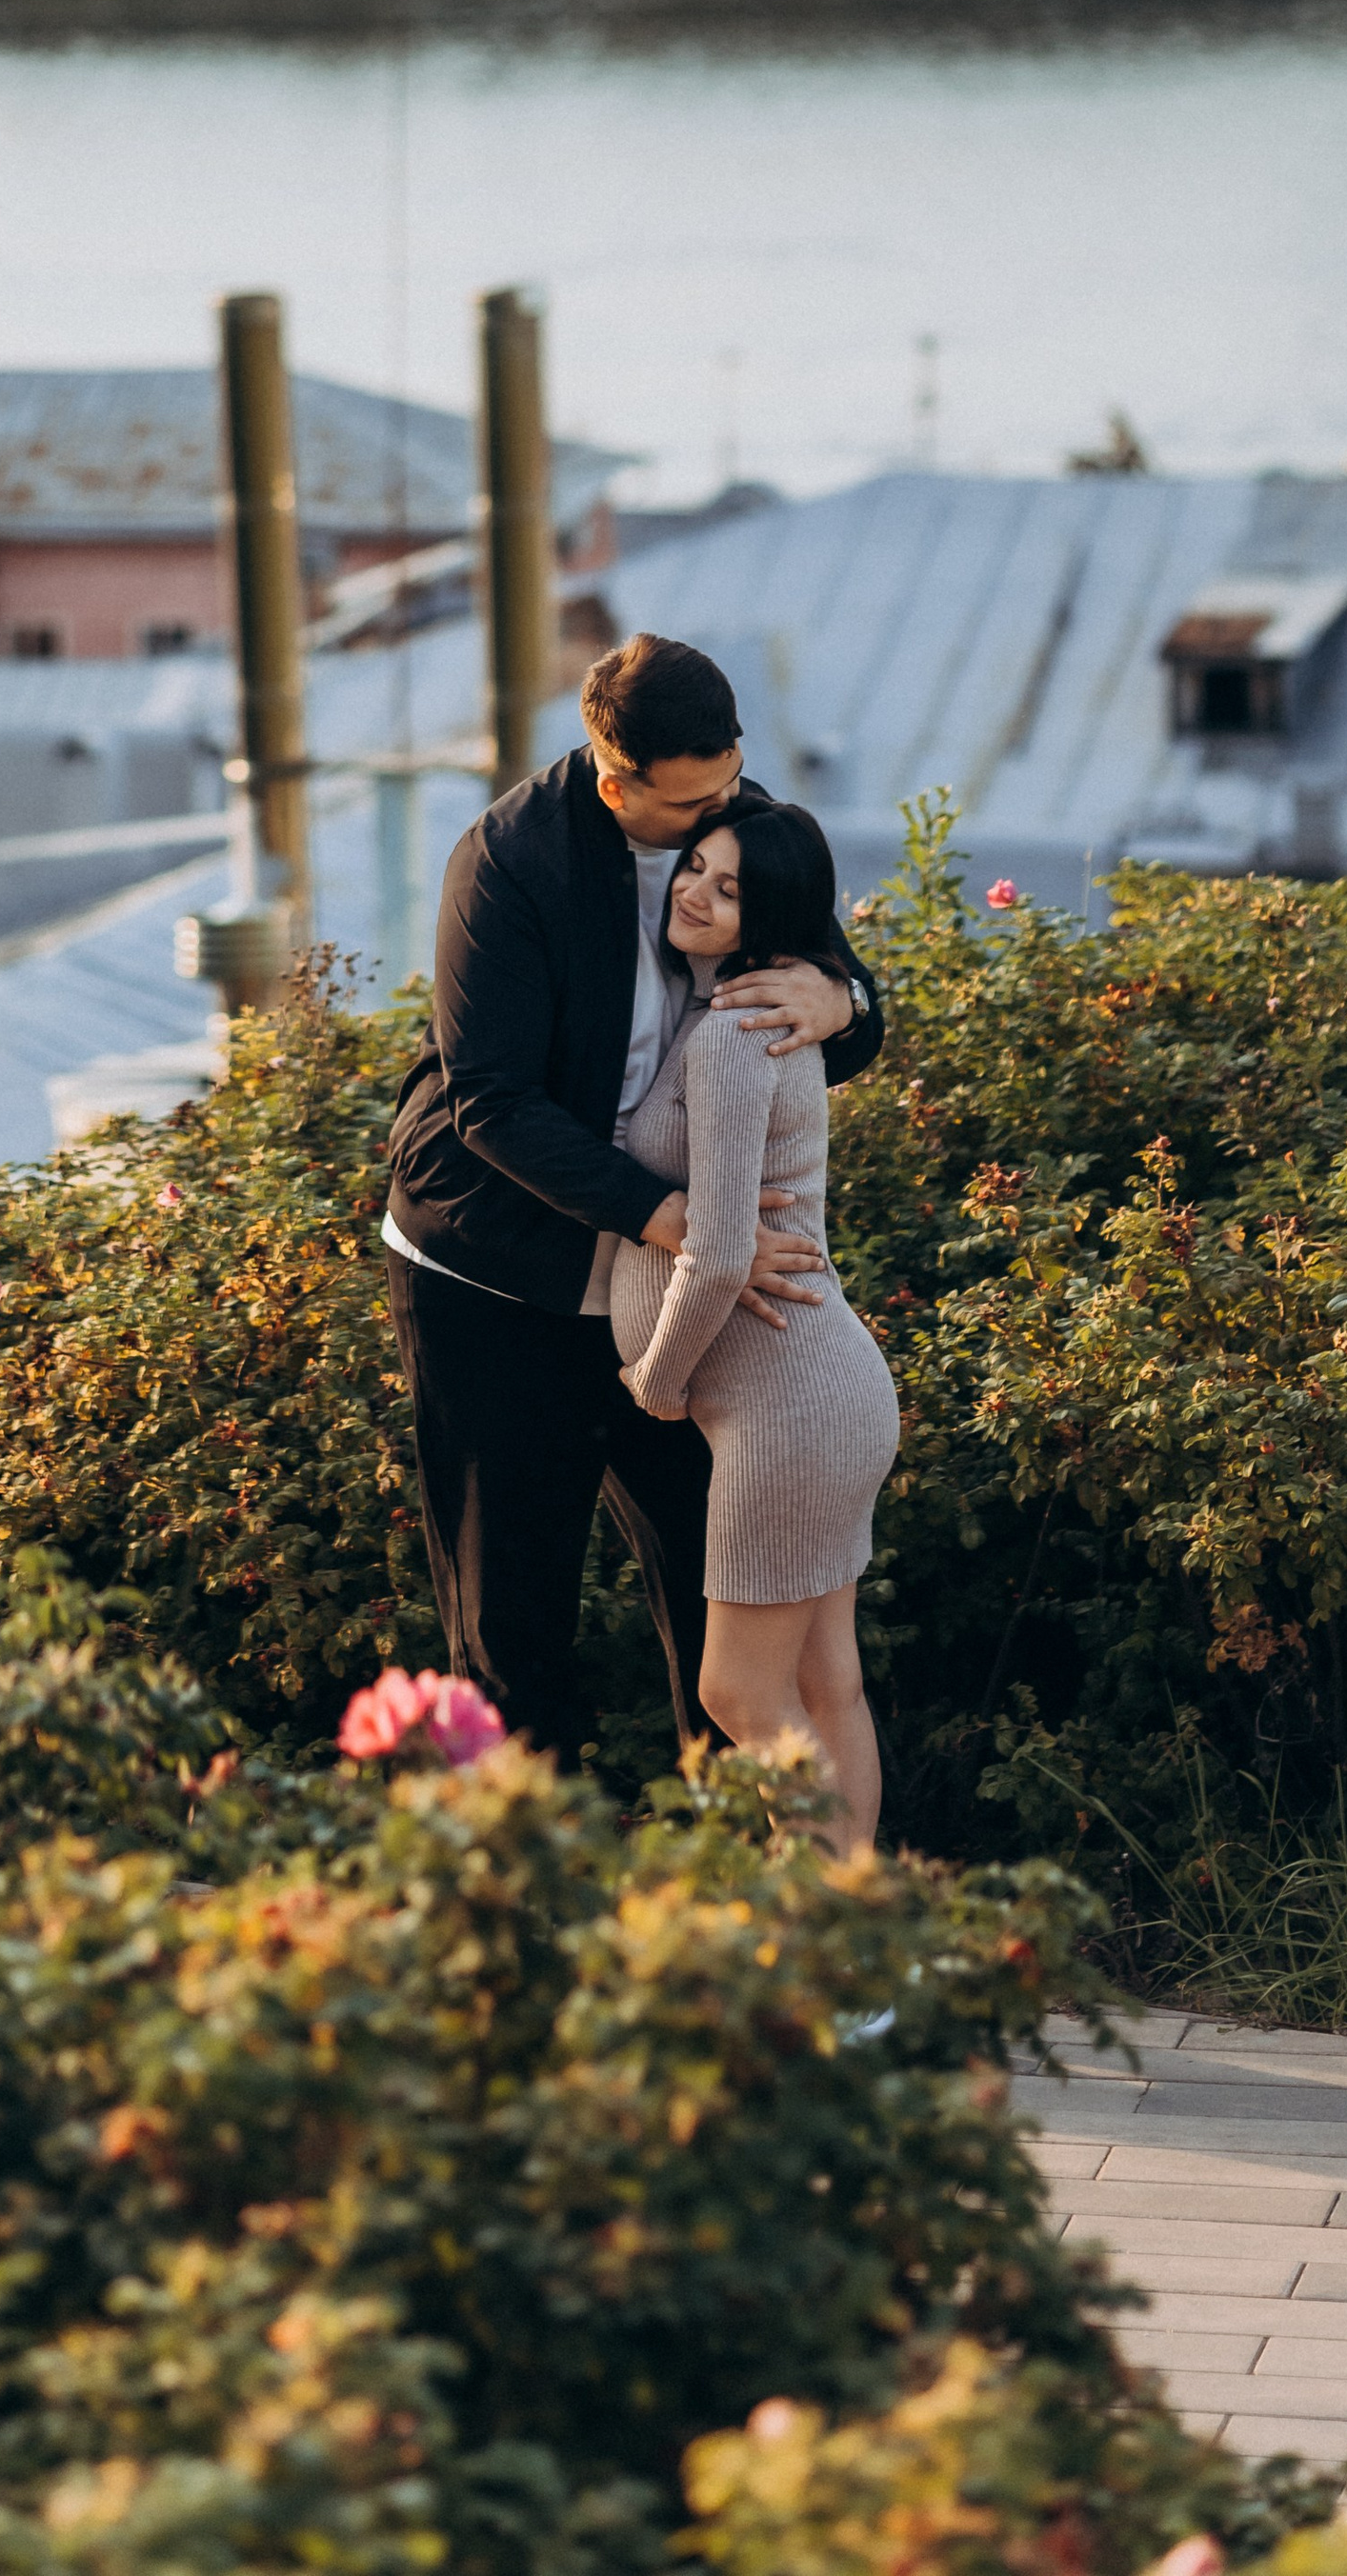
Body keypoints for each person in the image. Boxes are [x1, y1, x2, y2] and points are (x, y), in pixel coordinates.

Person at [383, 631, 884, 1760]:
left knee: (725, 1627)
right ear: (615, 781)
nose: (724, 815)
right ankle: (531, 1921)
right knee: (513, 1634)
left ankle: (723, 1915)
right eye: (691, 803)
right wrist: (687, 1229)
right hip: (500, 1274)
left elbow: (827, 1000)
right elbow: (494, 1105)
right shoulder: (506, 861)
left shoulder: (738, 821)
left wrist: (844, 1005)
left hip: (682, 1291)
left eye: (732, 783)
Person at [611, 801, 901, 1857]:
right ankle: (861, 1957)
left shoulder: (733, 1037)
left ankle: (847, 1961)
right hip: (822, 1395)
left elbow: (723, 1250)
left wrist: (655, 1379)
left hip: (787, 1408)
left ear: (766, 916)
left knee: (736, 1689)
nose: (694, 891)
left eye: (729, 889)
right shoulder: (743, 1019)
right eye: (694, 868)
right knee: (827, 1684)